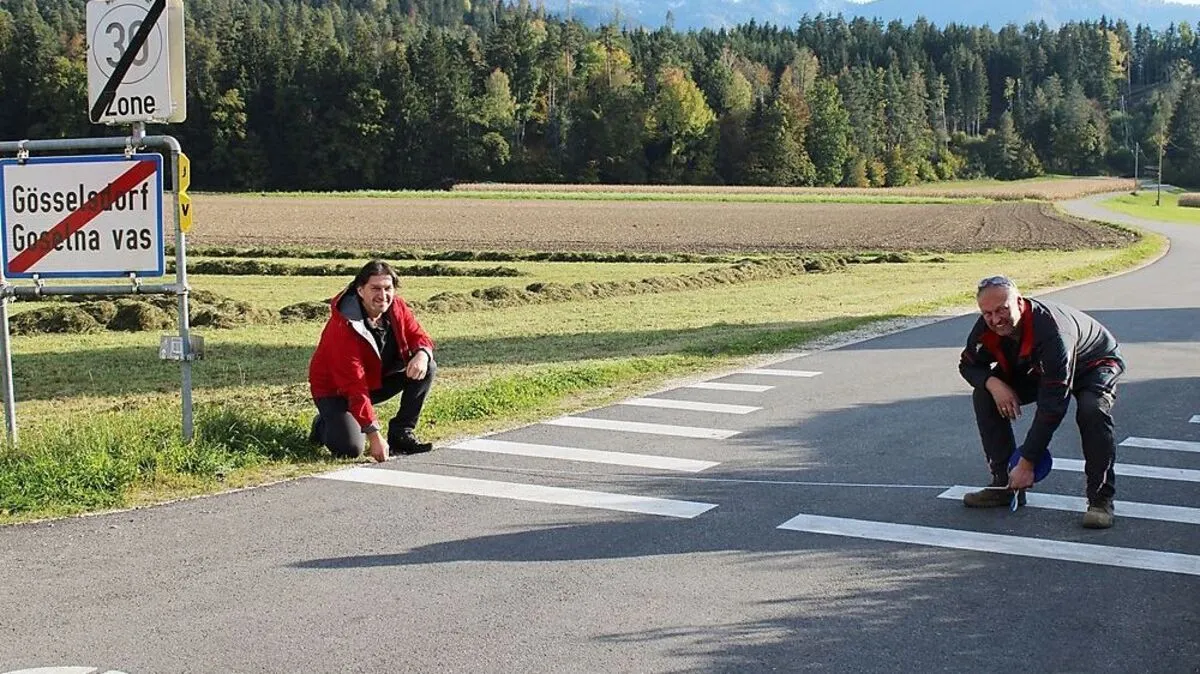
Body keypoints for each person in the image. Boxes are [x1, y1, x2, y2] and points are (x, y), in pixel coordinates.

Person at [958, 275, 1125, 529]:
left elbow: (1053, 404)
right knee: (984, 394)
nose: (995, 319)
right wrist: (993, 384)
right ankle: (1005, 485)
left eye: (1002, 309)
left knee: (1092, 410)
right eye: (987, 313)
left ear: (1020, 302)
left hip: (1093, 363)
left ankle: (1100, 499)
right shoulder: (986, 328)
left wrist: (1027, 462)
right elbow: (968, 365)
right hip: (1042, 367)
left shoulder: (1051, 330)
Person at [308, 260, 436, 462]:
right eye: (375, 288)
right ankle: (323, 424)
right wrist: (374, 435)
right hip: (336, 392)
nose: (382, 295)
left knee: (427, 365)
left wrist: (422, 353)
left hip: (373, 381)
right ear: (360, 290)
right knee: (349, 449)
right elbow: (353, 386)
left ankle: (401, 433)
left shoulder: (397, 307)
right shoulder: (345, 326)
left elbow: (418, 336)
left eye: (388, 288)